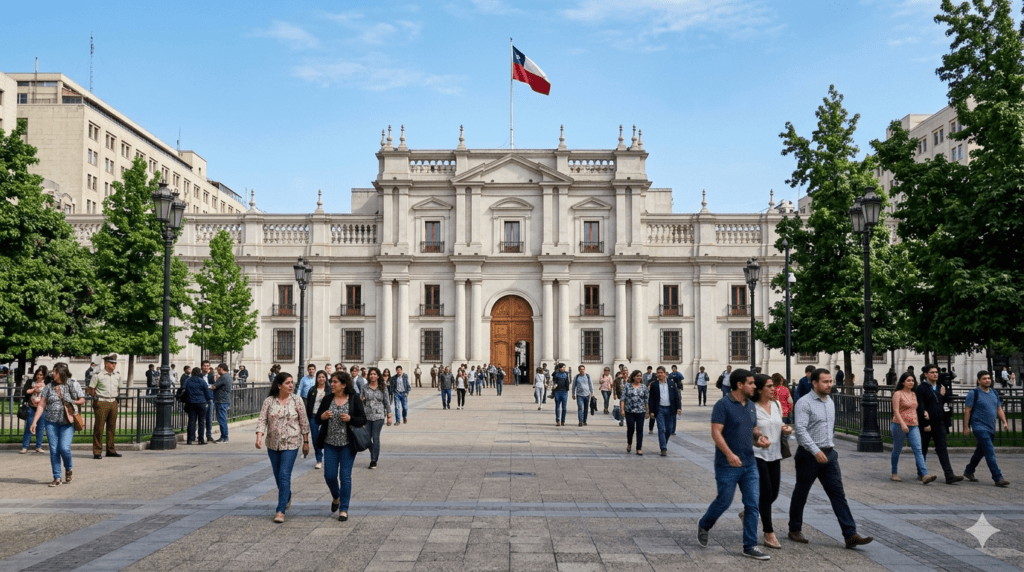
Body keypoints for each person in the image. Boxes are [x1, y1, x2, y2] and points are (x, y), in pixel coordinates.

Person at [788, 368, 873, 549]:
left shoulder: (830, 402)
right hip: (808, 455)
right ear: (815, 383)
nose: (829, 385)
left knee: (838, 495)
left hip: (829, 454)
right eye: (825, 382)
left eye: (830, 381)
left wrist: (828, 449)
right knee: (801, 493)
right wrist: (815, 450)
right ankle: (794, 529)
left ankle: (850, 534)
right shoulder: (804, 403)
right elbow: (801, 431)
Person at [697, 369, 771, 560]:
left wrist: (760, 438)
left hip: (749, 463)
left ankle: (750, 545)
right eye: (751, 383)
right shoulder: (723, 405)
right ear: (740, 385)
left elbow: (751, 429)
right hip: (727, 464)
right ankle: (705, 524)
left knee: (753, 504)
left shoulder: (751, 406)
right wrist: (729, 454)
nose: (755, 386)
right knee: (724, 500)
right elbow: (716, 432)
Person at [255, 371, 310, 523]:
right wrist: (259, 436)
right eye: (287, 383)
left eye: (292, 382)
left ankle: (280, 510)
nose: (291, 385)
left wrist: (306, 442)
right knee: (278, 475)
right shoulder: (269, 401)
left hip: (291, 443)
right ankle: (287, 496)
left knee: (284, 474)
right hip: (273, 443)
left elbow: (304, 422)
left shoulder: (297, 400)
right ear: (279, 385)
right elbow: (262, 420)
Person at [316, 371, 367, 521]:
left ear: (344, 385)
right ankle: (336, 496)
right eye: (331, 382)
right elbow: (318, 418)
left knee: (345, 477)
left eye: (335, 382)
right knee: (329, 475)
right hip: (330, 443)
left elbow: (362, 419)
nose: (331, 384)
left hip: (347, 444)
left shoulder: (354, 399)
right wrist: (323, 416)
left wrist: (351, 418)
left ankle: (343, 508)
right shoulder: (327, 399)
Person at [29, 363, 85, 487]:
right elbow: (41, 405)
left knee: (64, 448)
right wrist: (34, 422)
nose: (52, 374)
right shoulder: (48, 387)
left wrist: (72, 401)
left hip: (67, 422)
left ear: (61, 373)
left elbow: (82, 399)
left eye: (55, 372)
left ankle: (69, 468)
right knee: (54, 450)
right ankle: (57, 477)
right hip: (51, 423)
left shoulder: (72, 384)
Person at [753, 373, 791, 549]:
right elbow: (750, 429)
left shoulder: (775, 404)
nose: (773, 389)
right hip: (758, 454)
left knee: (774, 493)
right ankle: (769, 533)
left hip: (775, 453)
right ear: (760, 389)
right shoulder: (752, 407)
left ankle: (749, 511)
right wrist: (758, 437)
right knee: (766, 492)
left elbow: (778, 424)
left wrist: (784, 429)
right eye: (769, 386)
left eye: (772, 385)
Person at [916, 364, 963, 484]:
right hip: (926, 423)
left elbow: (946, 401)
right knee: (923, 448)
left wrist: (943, 396)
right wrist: (925, 423)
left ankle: (949, 474)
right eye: (932, 372)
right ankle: (922, 472)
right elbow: (921, 407)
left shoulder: (941, 386)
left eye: (936, 372)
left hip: (939, 422)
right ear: (926, 374)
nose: (935, 374)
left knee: (942, 448)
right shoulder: (921, 388)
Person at [963, 370, 1010, 487]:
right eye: (984, 378)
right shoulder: (974, 393)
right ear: (979, 380)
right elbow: (967, 411)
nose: (987, 380)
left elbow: (999, 408)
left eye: (989, 378)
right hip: (979, 427)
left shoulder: (994, 393)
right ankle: (998, 477)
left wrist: (1004, 421)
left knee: (980, 451)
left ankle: (969, 471)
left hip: (991, 427)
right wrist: (966, 427)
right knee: (990, 452)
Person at [890, 372, 932, 483]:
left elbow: (917, 408)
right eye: (908, 380)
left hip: (913, 425)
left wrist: (924, 412)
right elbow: (896, 411)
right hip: (899, 425)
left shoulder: (914, 394)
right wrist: (903, 424)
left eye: (912, 380)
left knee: (918, 449)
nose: (911, 382)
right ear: (903, 382)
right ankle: (894, 472)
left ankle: (925, 474)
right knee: (897, 450)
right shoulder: (898, 394)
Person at [89, 354, 124, 460]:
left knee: (111, 428)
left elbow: (119, 388)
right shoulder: (98, 374)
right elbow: (91, 389)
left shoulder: (117, 375)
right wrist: (97, 399)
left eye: (115, 363)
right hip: (102, 401)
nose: (114, 365)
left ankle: (111, 450)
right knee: (99, 428)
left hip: (113, 401)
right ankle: (97, 451)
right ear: (106, 363)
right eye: (112, 363)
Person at [648, 366, 682, 456]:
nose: (660, 374)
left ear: (665, 373)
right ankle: (663, 448)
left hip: (670, 409)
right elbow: (651, 399)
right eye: (658, 373)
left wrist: (679, 408)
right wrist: (651, 411)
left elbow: (676, 397)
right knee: (661, 429)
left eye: (661, 372)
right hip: (659, 409)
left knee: (669, 429)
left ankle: (664, 444)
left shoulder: (671, 384)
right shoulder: (654, 385)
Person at [362, 367, 392, 469]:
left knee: (375, 437)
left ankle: (373, 460)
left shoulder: (382, 387)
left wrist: (389, 415)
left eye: (374, 374)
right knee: (366, 439)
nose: (372, 376)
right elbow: (360, 401)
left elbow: (387, 401)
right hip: (367, 416)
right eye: (371, 374)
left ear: (378, 376)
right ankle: (374, 450)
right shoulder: (364, 387)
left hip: (379, 416)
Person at [304, 370, 330, 469]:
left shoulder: (329, 390)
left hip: (326, 417)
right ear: (316, 378)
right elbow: (309, 403)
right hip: (314, 416)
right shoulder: (312, 390)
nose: (321, 379)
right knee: (315, 439)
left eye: (323, 377)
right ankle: (318, 459)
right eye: (319, 377)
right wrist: (308, 415)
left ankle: (328, 458)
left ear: (326, 378)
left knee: (326, 438)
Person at [621, 370, 650, 455]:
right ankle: (629, 443)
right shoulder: (627, 386)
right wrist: (622, 410)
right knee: (630, 429)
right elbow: (622, 399)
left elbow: (646, 400)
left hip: (641, 411)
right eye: (637, 376)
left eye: (640, 376)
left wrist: (647, 411)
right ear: (633, 377)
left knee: (640, 430)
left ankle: (639, 448)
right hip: (629, 411)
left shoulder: (644, 387)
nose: (639, 377)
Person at [21, 368, 48, 454]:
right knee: (29, 426)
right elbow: (25, 391)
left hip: (42, 408)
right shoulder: (30, 382)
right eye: (38, 374)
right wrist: (34, 390)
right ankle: (25, 446)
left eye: (41, 375)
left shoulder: (46, 383)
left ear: (44, 376)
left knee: (40, 427)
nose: (39, 376)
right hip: (31, 407)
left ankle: (38, 446)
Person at [182, 365, 209, 445]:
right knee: (201, 421)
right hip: (201, 402)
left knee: (191, 421)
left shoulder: (188, 380)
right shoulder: (202, 381)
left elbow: (183, 388)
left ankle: (190, 439)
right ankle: (201, 439)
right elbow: (206, 392)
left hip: (191, 402)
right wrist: (208, 400)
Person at [210, 363, 233, 443]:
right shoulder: (228, 376)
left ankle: (224, 437)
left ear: (222, 369)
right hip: (224, 400)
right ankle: (224, 437)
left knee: (222, 420)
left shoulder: (223, 377)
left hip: (221, 401)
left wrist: (205, 386)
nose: (218, 371)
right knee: (223, 419)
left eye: (218, 369)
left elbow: (213, 386)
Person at [201, 360, 216, 443]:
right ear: (202, 367)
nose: (206, 367)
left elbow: (214, 385)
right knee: (201, 418)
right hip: (202, 399)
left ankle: (209, 435)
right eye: (205, 366)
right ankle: (201, 435)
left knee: (209, 418)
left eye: (208, 366)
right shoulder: (200, 376)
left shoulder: (211, 375)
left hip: (210, 398)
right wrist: (208, 387)